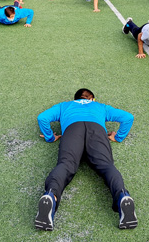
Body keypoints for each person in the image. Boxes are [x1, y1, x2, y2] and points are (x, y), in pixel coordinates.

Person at [35, 88, 137, 231]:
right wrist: (118, 137)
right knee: (106, 166)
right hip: (97, 132)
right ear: (93, 99)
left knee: (65, 165)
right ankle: (122, 196)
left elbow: (42, 118)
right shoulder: (100, 106)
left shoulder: (64, 105)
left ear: (75, 99)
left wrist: (50, 137)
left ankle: (51, 195)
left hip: (72, 131)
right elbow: (128, 117)